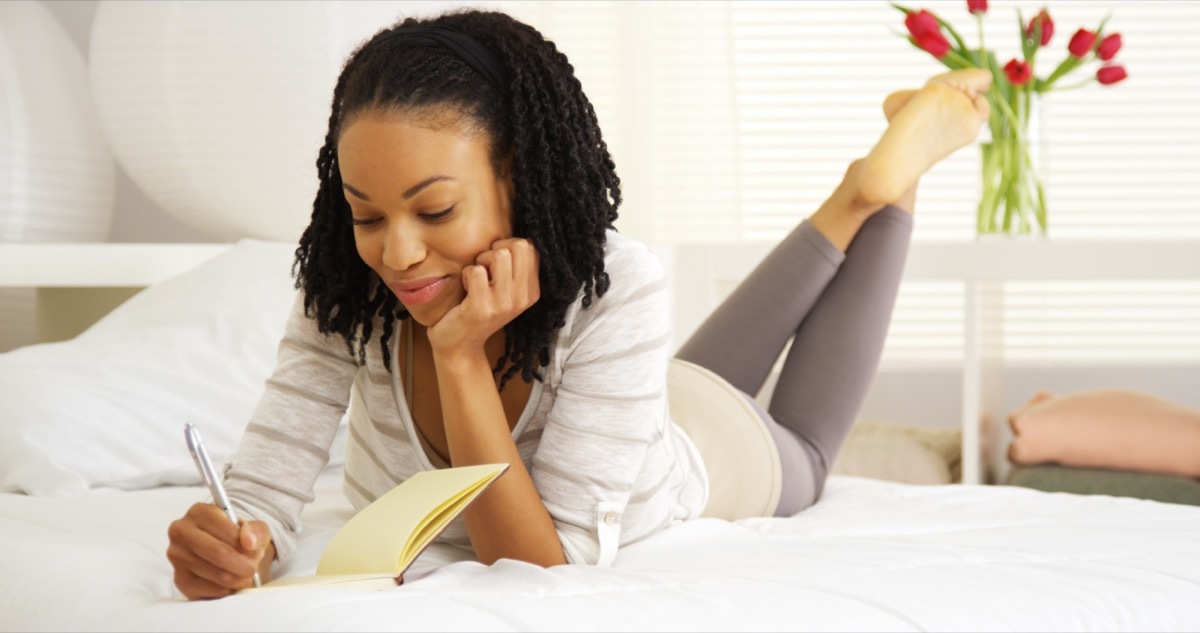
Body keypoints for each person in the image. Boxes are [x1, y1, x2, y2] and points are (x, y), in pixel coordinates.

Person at [166, 9, 991, 600]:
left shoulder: (613, 283)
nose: (398, 252)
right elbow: (263, 493)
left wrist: (459, 355)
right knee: (689, 379)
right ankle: (855, 194)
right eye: (366, 215)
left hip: (711, 451)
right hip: (640, 403)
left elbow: (536, 569)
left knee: (807, 450)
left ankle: (887, 189)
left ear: (519, 178)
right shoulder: (349, 291)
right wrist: (237, 543)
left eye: (436, 209)